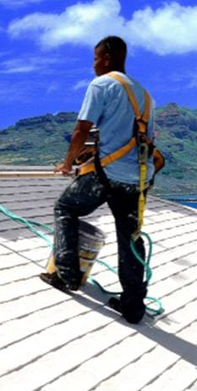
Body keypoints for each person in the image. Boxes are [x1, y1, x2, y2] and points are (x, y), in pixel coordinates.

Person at [40, 35, 157, 325]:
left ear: (106, 58)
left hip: (110, 175)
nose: (93, 65)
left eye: (95, 59)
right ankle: (133, 306)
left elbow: (82, 130)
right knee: (129, 237)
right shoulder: (144, 95)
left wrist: (68, 163)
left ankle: (66, 275)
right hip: (138, 178)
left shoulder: (102, 84)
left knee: (65, 208)